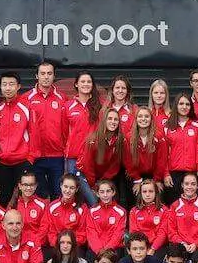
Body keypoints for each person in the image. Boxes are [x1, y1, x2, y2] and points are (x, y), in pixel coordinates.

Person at [23, 62, 67, 199]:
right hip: (34, 156)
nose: (46, 77)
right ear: (37, 76)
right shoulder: (26, 98)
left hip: (57, 156)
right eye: (42, 73)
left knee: (58, 194)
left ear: (54, 76)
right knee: (38, 196)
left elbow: (67, 127)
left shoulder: (62, 98)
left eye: (49, 73)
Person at [0, 71, 33, 201]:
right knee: (3, 198)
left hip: (22, 161)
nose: (8, 88)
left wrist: (30, 158)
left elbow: (35, 133)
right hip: (2, 162)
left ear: (18, 86)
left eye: (11, 84)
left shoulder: (26, 107)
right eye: (4, 84)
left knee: (23, 200)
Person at [65, 71, 102, 205]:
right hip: (73, 157)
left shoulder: (100, 106)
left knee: (92, 187)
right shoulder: (68, 106)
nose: (86, 84)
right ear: (76, 84)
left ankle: (96, 212)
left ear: (92, 85)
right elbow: (64, 132)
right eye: (83, 81)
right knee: (74, 188)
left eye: (89, 82)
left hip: (93, 156)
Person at [161, 94, 198, 204]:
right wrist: (166, 173)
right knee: (173, 206)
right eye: (181, 104)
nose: (184, 107)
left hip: (192, 173)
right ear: (176, 105)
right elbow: (163, 153)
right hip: (173, 174)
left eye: (187, 104)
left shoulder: (197, 125)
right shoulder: (167, 126)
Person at [80, 109, 126, 202]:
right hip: (86, 176)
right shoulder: (93, 139)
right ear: (104, 121)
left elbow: (115, 166)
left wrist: (103, 182)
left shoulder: (119, 141)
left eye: (115, 119)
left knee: (110, 201)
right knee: (95, 202)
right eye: (110, 119)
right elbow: (88, 166)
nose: (113, 122)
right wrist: (94, 185)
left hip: (103, 178)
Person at [166, 172, 198, 262]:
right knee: (177, 262)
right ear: (182, 185)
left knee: (197, 261)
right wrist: (182, 244)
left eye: (193, 184)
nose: (189, 187)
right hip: (180, 244)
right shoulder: (175, 206)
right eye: (186, 184)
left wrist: (196, 244)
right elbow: (171, 232)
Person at [125, 107, 164, 201]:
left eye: (146, 116)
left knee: (156, 197)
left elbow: (161, 160)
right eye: (140, 116)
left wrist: (156, 180)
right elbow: (128, 161)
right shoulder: (128, 137)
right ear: (136, 119)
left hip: (154, 175)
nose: (143, 119)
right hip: (135, 175)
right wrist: (137, 180)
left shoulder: (158, 136)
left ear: (151, 119)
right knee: (136, 198)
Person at [47, 174, 90, 258]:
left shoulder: (82, 208)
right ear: (60, 186)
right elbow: (51, 232)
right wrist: (60, 244)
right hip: (57, 246)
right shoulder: (52, 206)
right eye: (65, 186)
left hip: (75, 247)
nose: (68, 190)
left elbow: (83, 233)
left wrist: (70, 245)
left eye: (72, 188)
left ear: (76, 189)